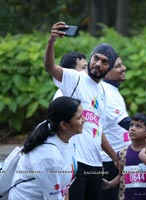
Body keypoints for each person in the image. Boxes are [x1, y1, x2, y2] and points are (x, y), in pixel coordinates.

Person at [44, 21, 119, 200]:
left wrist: (115, 157)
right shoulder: (75, 78)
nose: (98, 64)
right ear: (91, 58)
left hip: (95, 164)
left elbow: (97, 129)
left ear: (109, 67)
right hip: (75, 162)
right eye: (96, 58)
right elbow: (50, 67)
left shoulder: (102, 91)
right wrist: (51, 42)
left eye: (104, 61)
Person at [8, 96, 85, 200]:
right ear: (64, 124)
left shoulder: (65, 135)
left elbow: (63, 189)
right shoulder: (48, 158)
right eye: (79, 118)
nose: (84, 120)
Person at [103, 113, 146, 200]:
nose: (133, 129)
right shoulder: (122, 153)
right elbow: (122, 174)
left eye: (138, 126)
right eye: (131, 125)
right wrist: (110, 184)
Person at [101, 57, 132, 200]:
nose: (124, 68)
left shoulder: (112, 90)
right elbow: (125, 123)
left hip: (116, 158)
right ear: (106, 72)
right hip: (110, 160)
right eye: (118, 66)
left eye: (122, 64)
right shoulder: (107, 91)